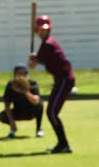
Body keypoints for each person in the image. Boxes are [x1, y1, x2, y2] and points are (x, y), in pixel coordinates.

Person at [28, 15, 75, 154]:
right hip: (61, 80)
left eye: (44, 29)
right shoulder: (47, 43)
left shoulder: (48, 44)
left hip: (64, 80)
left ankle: (64, 144)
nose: (42, 32)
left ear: (49, 30)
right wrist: (35, 58)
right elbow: (40, 60)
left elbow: (33, 65)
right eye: (40, 30)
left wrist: (33, 58)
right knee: (52, 112)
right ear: (37, 31)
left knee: (52, 113)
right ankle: (62, 144)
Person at [0, 63, 44, 138]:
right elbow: (7, 104)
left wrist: (26, 90)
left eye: (22, 73)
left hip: (30, 111)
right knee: (2, 116)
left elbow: (36, 101)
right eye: (18, 73)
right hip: (18, 111)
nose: (20, 75)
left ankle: (38, 130)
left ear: (26, 74)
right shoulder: (10, 85)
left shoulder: (32, 83)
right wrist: (12, 122)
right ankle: (12, 130)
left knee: (40, 105)